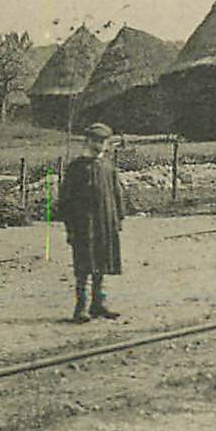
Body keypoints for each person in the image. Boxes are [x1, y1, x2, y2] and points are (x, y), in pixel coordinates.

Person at [57, 122, 129, 323]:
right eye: (96, 141)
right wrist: (69, 227)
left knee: (102, 263)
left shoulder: (108, 166)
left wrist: (119, 218)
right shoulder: (77, 168)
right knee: (83, 266)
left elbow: (117, 195)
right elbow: (65, 200)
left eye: (103, 141)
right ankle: (81, 306)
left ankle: (99, 304)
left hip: (105, 223)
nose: (100, 145)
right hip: (84, 225)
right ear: (88, 141)